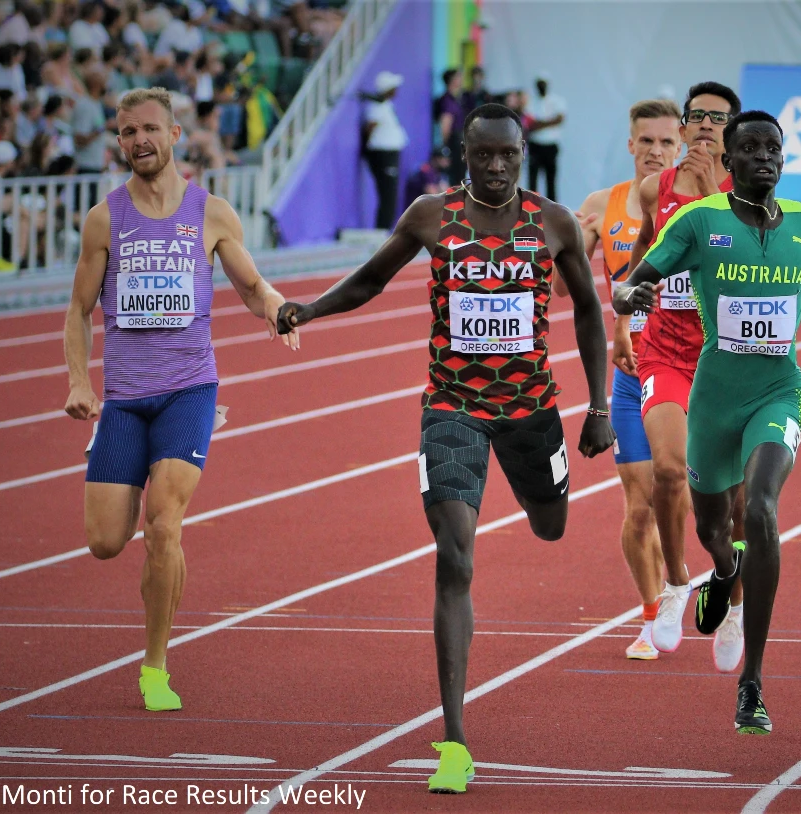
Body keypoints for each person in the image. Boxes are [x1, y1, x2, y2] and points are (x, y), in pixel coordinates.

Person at [275, 103, 615, 794]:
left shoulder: (554, 224)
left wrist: (599, 405)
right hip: (452, 408)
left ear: (523, 154)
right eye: (482, 155)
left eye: (507, 156)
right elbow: (371, 279)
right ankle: (455, 739)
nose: (495, 167)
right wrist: (310, 310)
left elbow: (586, 307)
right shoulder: (432, 216)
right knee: (454, 555)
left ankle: (539, 494)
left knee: (551, 528)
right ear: (464, 152)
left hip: (531, 413)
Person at [615, 110, 801, 734]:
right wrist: (630, 296)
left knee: (759, 509)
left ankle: (752, 681)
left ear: (784, 157)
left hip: (780, 390)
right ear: (729, 161)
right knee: (712, 528)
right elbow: (635, 278)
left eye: (772, 148)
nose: (764, 158)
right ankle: (723, 575)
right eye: (749, 149)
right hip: (715, 397)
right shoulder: (701, 220)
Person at [62, 87, 297, 713]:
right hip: (124, 398)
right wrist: (79, 382)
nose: (138, 141)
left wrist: (276, 308)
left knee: (163, 523)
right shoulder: (105, 219)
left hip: (190, 389)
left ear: (174, 136)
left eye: (149, 130)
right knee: (105, 541)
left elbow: (249, 285)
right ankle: (159, 593)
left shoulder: (211, 213)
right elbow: (80, 311)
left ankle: (155, 665)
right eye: (127, 132)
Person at [625, 81, 746, 669]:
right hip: (667, 355)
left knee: (738, 502)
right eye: (695, 117)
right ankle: (675, 587)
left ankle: (737, 605)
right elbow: (644, 256)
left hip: (730, 361)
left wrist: (708, 198)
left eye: (715, 120)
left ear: (735, 134)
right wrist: (631, 304)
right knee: (670, 472)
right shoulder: (656, 189)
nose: (703, 127)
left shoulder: (752, 194)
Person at [568, 98, 681, 659]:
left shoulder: (704, 205)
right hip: (632, 375)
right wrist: (571, 243)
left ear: (680, 145)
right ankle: (652, 614)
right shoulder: (603, 204)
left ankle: (705, 587)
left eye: (666, 141)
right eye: (646, 141)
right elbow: (565, 289)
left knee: (685, 497)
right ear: (631, 143)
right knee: (639, 506)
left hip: (691, 377)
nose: (656, 151)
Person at [360, 70, 408, 229]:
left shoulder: (385, 105)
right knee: (388, 194)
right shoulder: (377, 107)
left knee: (391, 194)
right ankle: (381, 230)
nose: (397, 90)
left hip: (390, 154)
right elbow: (370, 128)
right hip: (383, 155)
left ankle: (385, 229)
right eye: (394, 87)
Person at [525, 72, 565, 201]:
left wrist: (539, 123)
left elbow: (559, 119)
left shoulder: (557, 100)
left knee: (551, 181)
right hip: (535, 145)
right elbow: (529, 124)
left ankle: (553, 209)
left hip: (550, 145)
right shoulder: (530, 101)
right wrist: (549, 122)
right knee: (532, 181)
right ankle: (531, 208)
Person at [434, 68, 465, 186]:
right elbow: (445, 125)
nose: (461, 80)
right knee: (456, 179)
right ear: (452, 81)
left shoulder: (456, 99)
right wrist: (447, 146)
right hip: (454, 143)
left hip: (458, 142)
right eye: (459, 77)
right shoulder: (447, 100)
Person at [403, 145, 449, 209]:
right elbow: (432, 193)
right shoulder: (426, 170)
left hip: (422, 210)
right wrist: (441, 189)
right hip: (414, 212)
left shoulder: (438, 173)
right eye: (443, 159)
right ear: (436, 159)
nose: (447, 162)